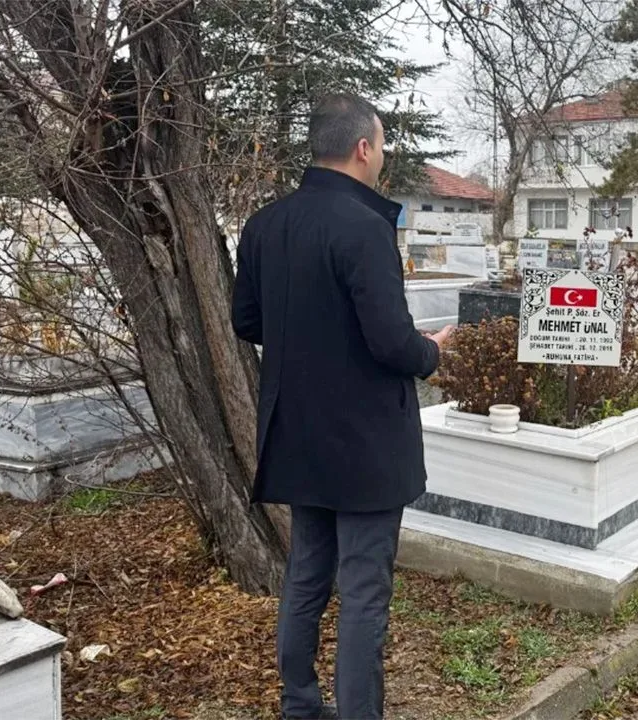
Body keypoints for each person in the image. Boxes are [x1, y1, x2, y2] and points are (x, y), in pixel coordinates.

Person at [232, 93, 453, 720]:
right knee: (362, 590)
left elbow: (247, 320)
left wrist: (307, 338)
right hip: (364, 443)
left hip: (297, 429)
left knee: (307, 571)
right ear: (362, 148)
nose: (381, 156)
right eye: (381, 145)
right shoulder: (364, 227)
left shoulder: (265, 224)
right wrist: (432, 351)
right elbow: (392, 343)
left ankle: (300, 705)